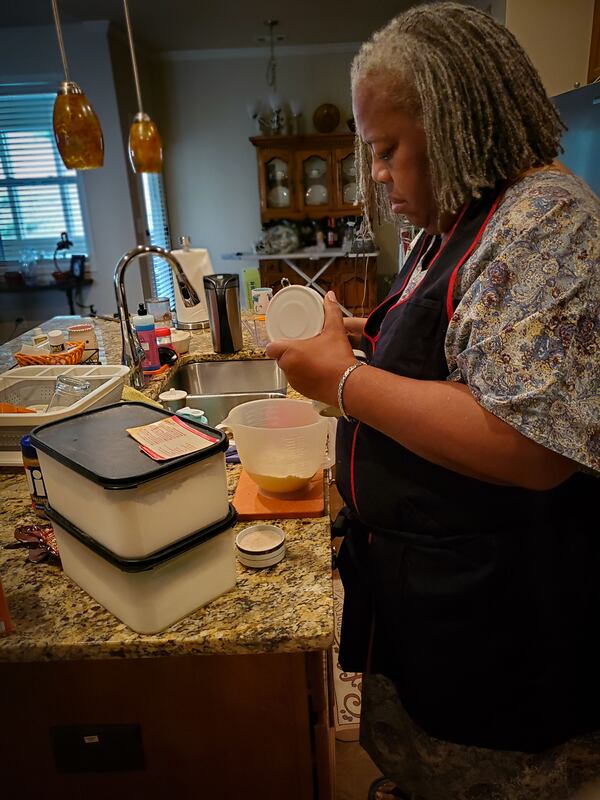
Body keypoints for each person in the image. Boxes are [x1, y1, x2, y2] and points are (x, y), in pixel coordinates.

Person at [265, 3, 600, 799]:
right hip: (434, 591)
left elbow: (531, 443)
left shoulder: (548, 222)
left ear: (454, 123)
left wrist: (342, 380)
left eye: (385, 150)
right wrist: (356, 329)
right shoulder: (462, 218)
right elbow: (453, 346)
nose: (376, 174)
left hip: (506, 624)